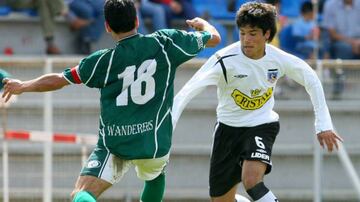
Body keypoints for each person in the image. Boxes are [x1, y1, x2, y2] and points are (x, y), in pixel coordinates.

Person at [2, 0, 221, 201]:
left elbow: (59, 80)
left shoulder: (102, 61)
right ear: (136, 20)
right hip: (153, 141)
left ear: (107, 27)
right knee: (154, 176)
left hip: (116, 143)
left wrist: (23, 86)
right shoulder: (166, 43)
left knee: (82, 193)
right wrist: (203, 25)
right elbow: (215, 38)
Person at [172, 2, 343, 202]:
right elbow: (187, 91)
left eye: (253, 33)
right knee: (221, 200)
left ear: (267, 35)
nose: (246, 40)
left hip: (261, 124)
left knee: (251, 180)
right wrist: (170, 124)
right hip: (228, 129)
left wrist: (323, 125)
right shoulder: (224, 60)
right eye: (242, 33)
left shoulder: (278, 59)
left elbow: (311, 79)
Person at [322, 0, 360, 99]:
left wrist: (358, 42)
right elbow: (331, 33)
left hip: (358, 40)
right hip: (340, 41)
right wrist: (352, 42)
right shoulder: (330, 5)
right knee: (344, 49)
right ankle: (338, 89)